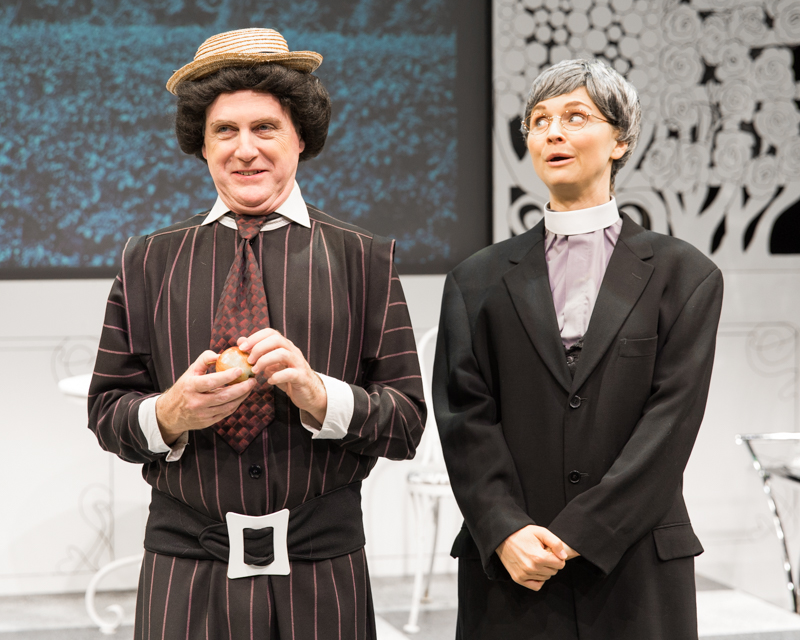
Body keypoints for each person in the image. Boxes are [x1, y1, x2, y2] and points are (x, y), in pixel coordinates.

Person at [88, 28, 425, 639]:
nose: (245, 150)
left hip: (324, 578)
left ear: (301, 136)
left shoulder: (365, 259)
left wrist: (321, 397)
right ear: (202, 144)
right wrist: (170, 413)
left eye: (265, 127)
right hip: (183, 576)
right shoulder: (148, 260)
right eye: (225, 130)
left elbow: (406, 425)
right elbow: (107, 412)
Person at [433, 58, 723, 639]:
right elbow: (465, 419)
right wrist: (505, 528)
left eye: (575, 117)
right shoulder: (476, 279)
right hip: (512, 568)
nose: (553, 133)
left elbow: (669, 425)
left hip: (635, 567)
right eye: (539, 121)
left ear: (620, 140)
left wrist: (581, 533)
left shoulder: (685, 275)